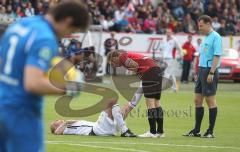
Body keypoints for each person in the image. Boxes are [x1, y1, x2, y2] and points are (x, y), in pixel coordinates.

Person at [0, 1, 89, 152]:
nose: (67, 35)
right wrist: (69, 88)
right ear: (67, 21)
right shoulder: (45, 38)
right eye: (71, 30)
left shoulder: (22, 24)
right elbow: (33, 83)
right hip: (21, 111)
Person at [107, 50, 165, 138]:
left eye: (112, 63)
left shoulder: (122, 57)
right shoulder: (127, 55)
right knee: (156, 103)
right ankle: (160, 132)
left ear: (114, 58)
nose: (113, 65)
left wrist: (133, 70)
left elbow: (136, 65)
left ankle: (152, 132)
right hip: (156, 70)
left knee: (150, 103)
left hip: (149, 72)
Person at [184, 15, 222, 138]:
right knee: (197, 100)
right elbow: (202, 56)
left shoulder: (216, 37)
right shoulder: (206, 37)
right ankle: (197, 130)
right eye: (198, 26)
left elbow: (217, 56)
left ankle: (210, 131)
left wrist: (211, 72)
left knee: (210, 101)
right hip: (201, 71)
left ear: (208, 24)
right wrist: (198, 73)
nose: (199, 28)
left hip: (209, 71)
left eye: (201, 26)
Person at [50, 103, 136, 137]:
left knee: (124, 109)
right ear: (56, 127)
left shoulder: (67, 125)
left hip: (103, 129)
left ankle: (120, 127)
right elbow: (57, 132)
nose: (60, 120)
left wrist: (66, 122)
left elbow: (73, 121)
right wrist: (65, 123)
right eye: (56, 122)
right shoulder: (65, 129)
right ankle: (124, 130)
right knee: (111, 103)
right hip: (97, 129)